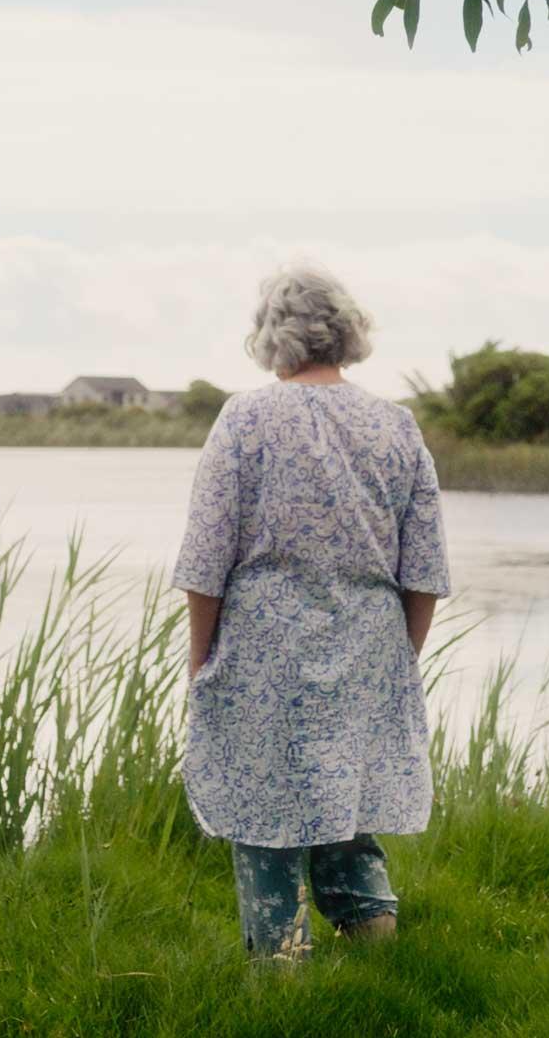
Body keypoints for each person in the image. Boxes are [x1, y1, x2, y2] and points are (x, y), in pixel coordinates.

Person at [173, 265, 450, 962]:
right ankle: (378, 961)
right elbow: (424, 570)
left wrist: (200, 662)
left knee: (265, 817)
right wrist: (399, 659)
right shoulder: (396, 425)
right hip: (370, 644)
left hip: (264, 646)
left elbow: (207, 560)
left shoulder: (246, 419)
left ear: (271, 336)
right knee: (349, 811)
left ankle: (279, 971)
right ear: (349, 333)